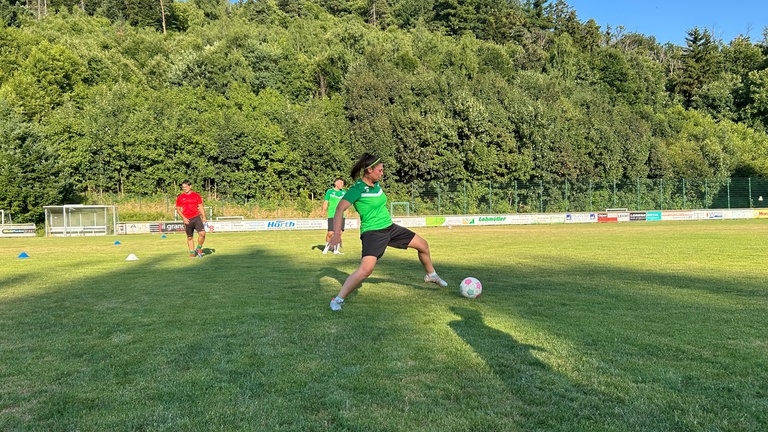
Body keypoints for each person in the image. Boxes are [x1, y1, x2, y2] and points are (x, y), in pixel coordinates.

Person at [328, 153, 448, 311]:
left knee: (423, 245)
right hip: (373, 232)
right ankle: (337, 300)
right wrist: (337, 234)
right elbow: (339, 209)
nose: (382, 173)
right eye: (379, 170)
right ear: (369, 170)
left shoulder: (376, 184)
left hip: (390, 228)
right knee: (366, 270)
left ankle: (431, 275)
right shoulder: (357, 189)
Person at [175, 179, 207, 258]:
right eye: (183, 187)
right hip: (187, 219)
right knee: (189, 237)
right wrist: (184, 218)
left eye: (186, 187)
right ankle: (192, 253)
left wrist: (204, 217)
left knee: (202, 233)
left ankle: (199, 248)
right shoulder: (180, 197)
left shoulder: (196, 196)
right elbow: (178, 209)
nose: (184, 188)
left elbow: (200, 207)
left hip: (196, 217)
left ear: (190, 186)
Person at [321, 177, 346, 254]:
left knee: (339, 233)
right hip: (332, 214)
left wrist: (347, 211)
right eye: (341, 183)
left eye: (343, 183)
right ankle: (327, 247)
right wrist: (323, 211)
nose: (342, 184)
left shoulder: (344, 192)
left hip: (341, 215)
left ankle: (336, 250)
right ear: (336, 183)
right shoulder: (330, 192)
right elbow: (326, 202)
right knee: (330, 233)